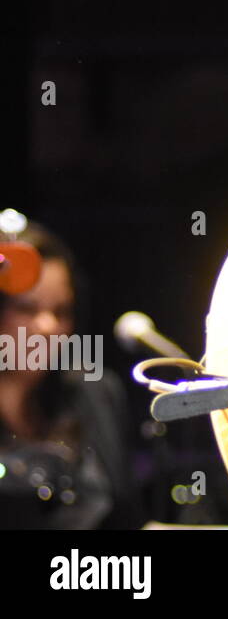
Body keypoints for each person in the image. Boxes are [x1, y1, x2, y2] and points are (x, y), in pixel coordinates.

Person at [0, 213, 143, 529]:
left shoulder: (94, 392)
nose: (49, 326)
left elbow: (127, 519)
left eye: (61, 311)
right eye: (27, 308)